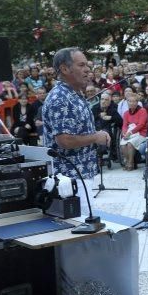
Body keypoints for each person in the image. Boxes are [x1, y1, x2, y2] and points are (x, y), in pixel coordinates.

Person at [43, 48, 112, 211]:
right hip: (71, 181)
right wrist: (95, 137)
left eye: (87, 65)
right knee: (83, 228)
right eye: (81, 65)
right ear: (64, 69)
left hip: (80, 176)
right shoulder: (60, 98)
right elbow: (64, 140)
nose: (88, 69)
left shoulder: (73, 94)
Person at [119, 95, 148, 171]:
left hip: (141, 133)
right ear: (127, 102)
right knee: (122, 144)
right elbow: (124, 125)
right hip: (129, 133)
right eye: (130, 101)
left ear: (137, 102)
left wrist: (130, 132)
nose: (132, 103)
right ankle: (128, 161)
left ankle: (130, 162)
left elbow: (141, 124)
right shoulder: (126, 113)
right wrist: (124, 133)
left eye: (134, 101)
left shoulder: (142, 111)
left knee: (130, 143)